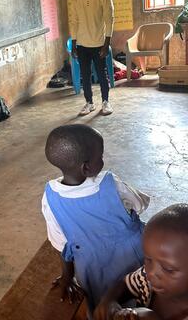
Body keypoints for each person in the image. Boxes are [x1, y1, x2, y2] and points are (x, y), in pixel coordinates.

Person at [41, 124, 149, 313]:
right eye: (100, 156)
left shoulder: (50, 197)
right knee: (144, 297)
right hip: (134, 256)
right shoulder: (110, 183)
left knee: (104, 308)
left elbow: (61, 244)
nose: (103, 160)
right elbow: (139, 205)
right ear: (86, 167)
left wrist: (67, 277)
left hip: (91, 268)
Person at [94, 203, 188, 320]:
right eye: (148, 259)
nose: (152, 273)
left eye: (168, 269)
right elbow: (125, 285)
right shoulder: (146, 280)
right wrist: (109, 300)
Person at [70, 0, 115, 116]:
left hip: (99, 44)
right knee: (85, 75)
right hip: (82, 45)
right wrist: (74, 45)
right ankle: (89, 103)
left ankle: (106, 102)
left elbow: (109, 21)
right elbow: (74, 23)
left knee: (102, 75)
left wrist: (106, 44)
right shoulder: (76, 1)